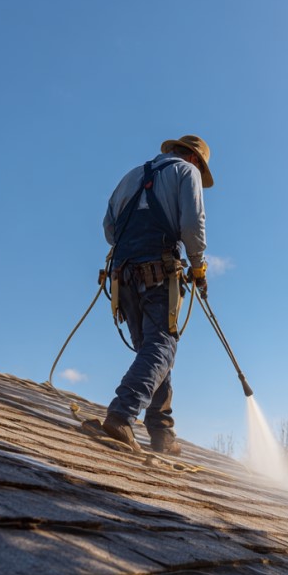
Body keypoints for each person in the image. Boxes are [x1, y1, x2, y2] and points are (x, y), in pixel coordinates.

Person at [100, 134, 213, 455]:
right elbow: (193, 224)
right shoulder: (185, 172)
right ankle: (121, 414)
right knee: (162, 347)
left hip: (123, 276)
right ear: (195, 159)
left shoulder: (131, 176)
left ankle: (162, 432)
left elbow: (109, 230)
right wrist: (198, 267)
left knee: (152, 351)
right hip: (158, 272)